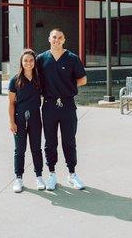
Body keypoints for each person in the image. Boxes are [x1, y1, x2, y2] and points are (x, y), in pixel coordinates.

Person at [36, 28, 87, 191]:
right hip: (49, 105)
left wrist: (68, 88)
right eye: (54, 37)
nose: (56, 40)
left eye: (60, 37)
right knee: (50, 142)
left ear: (64, 40)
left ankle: (72, 174)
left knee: (69, 141)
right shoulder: (41, 59)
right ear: (49, 39)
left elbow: (83, 79)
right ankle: (51, 174)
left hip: (67, 105)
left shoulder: (72, 58)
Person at [8, 49, 46, 193]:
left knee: (36, 148)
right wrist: (12, 122)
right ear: (21, 62)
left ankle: (39, 176)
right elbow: (11, 103)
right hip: (19, 118)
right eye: (25, 60)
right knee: (20, 150)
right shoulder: (15, 80)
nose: (28, 63)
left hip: (35, 118)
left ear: (34, 62)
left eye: (31, 60)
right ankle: (19, 178)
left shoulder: (39, 79)